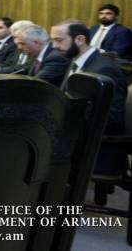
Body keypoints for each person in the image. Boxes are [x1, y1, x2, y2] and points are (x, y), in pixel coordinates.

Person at [51, 20, 128, 175]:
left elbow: (112, 116)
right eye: (53, 40)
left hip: (97, 148)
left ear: (80, 39)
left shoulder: (104, 69)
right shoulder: (75, 60)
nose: (54, 46)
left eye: (59, 40)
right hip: (75, 137)